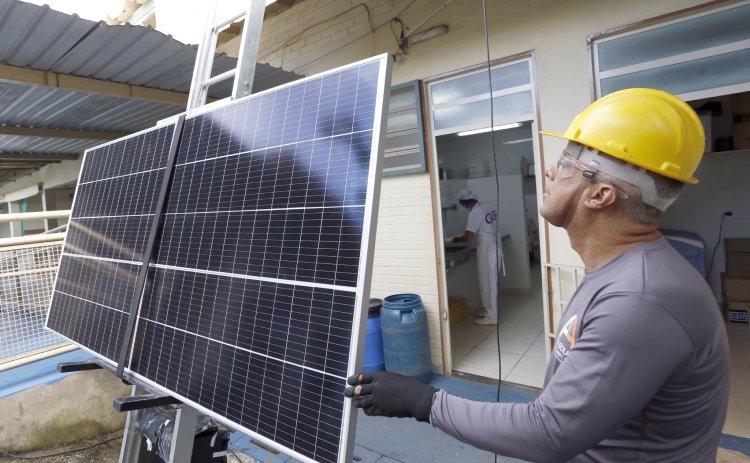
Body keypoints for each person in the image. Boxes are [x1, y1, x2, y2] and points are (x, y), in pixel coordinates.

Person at [345, 88, 730, 462]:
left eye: (567, 162)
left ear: (600, 195)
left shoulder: (640, 300)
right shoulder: (625, 272)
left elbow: (549, 431)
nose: (549, 169)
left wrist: (423, 402)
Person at [451, 189, 501, 325]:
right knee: (490, 281)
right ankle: (490, 311)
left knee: (488, 281)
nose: (464, 207)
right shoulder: (488, 207)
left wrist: (455, 239)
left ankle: (492, 316)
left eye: (463, 205)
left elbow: (468, 236)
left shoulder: (475, 212)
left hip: (487, 249)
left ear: (466, 203)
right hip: (493, 247)